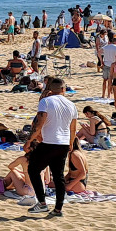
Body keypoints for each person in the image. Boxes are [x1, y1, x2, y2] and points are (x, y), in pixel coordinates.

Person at [25, 77, 78, 216]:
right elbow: (73, 129)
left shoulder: (45, 101)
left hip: (50, 142)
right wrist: (71, 143)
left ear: (50, 90)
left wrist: (29, 141)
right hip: (64, 143)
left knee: (33, 169)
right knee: (58, 176)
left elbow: (38, 124)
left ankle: (42, 203)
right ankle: (58, 209)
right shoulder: (71, 105)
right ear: (63, 89)